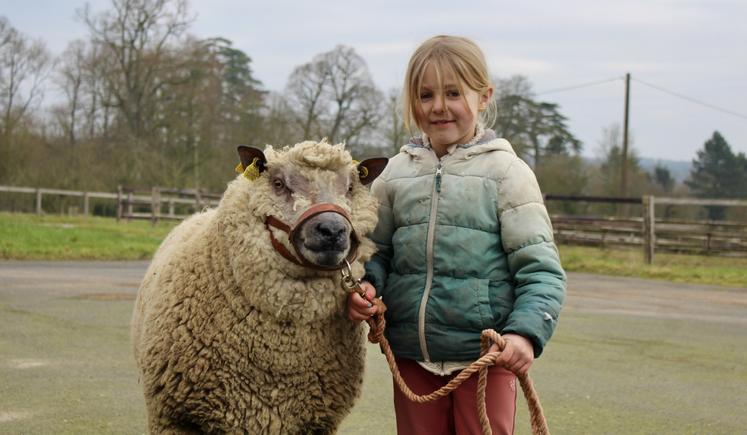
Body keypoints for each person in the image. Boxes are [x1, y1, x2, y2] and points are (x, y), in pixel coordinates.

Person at [347, 35, 566, 435]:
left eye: (453, 93)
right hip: (413, 358)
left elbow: (541, 272)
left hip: (486, 358)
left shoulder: (507, 174)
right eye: (426, 94)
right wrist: (367, 286)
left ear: (484, 96)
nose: (439, 107)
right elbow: (375, 252)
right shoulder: (395, 175)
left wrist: (524, 335)